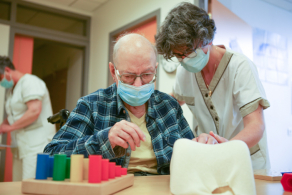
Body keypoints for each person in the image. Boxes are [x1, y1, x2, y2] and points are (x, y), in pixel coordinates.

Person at [44, 33, 217, 176]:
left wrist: (201, 145)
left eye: (147, 75)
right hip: (114, 188)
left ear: (155, 69)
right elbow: (51, 156)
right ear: (114, 71)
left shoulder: (169, 106)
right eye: (128, 76)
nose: (138, 85)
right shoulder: (92, 105)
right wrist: (105, 140)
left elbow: (188, 155)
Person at [155, 2, 270, 170]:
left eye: (189, 51)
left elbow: (256, 125)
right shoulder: (184, 73)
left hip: (248, 163)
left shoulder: (240, 67)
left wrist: (227, 148)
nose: (184, 59)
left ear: (205, 39)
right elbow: (172, 102)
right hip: (211, 162)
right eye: (179, 55)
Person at [0, 56, 56, 180]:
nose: (0, 82)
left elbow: (34, 111)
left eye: (0, 78)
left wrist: (9, 128)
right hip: (21, 147)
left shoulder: (30, 82)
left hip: (36, 145)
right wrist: (2, 126)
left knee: (30, 186)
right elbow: (13, 115)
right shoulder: (12, 90)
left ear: (7, 70)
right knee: (17, 185)